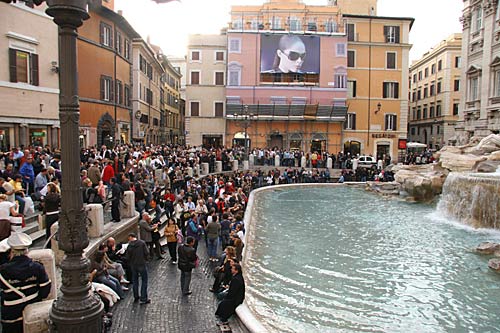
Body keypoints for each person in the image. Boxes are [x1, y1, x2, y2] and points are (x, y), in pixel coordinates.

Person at [0, 233, 51, 333]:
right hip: (33, 305)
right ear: (27, 250)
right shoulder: (37, 267)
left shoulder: (2, 271)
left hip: (11, 315)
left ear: (11, 251)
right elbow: (45, 290)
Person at [125, 232, 150, 304]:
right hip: (141, 264)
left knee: (135, 280)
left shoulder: (129, 246)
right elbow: (146, 252)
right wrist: (146, 259)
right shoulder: (142, 243)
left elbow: (127, 257)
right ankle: (143, 298)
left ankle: (136, 296)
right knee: (144, 280)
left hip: (133, 265)